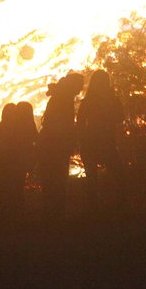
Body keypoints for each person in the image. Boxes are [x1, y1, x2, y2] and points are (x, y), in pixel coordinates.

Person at [37, 72, 84, 222]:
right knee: (56, 177)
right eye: (79, 85)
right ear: (73, 85)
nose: (81, 88)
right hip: (56, 144)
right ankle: (55, 212)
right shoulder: (63, 99)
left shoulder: (61, 96)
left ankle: (51, 211)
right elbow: (61, 124)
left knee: (51, 177)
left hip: (52, 143)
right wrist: (68, 140)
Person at [77, 70, 126, 209]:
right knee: (119, 175)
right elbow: (120, 117)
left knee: (92, 179)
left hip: (91, 142)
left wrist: (80, 140)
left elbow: (80, 122)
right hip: (105, 142)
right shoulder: (110, 99)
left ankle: (92, 208)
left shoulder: (88, 101)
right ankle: (120, 205)